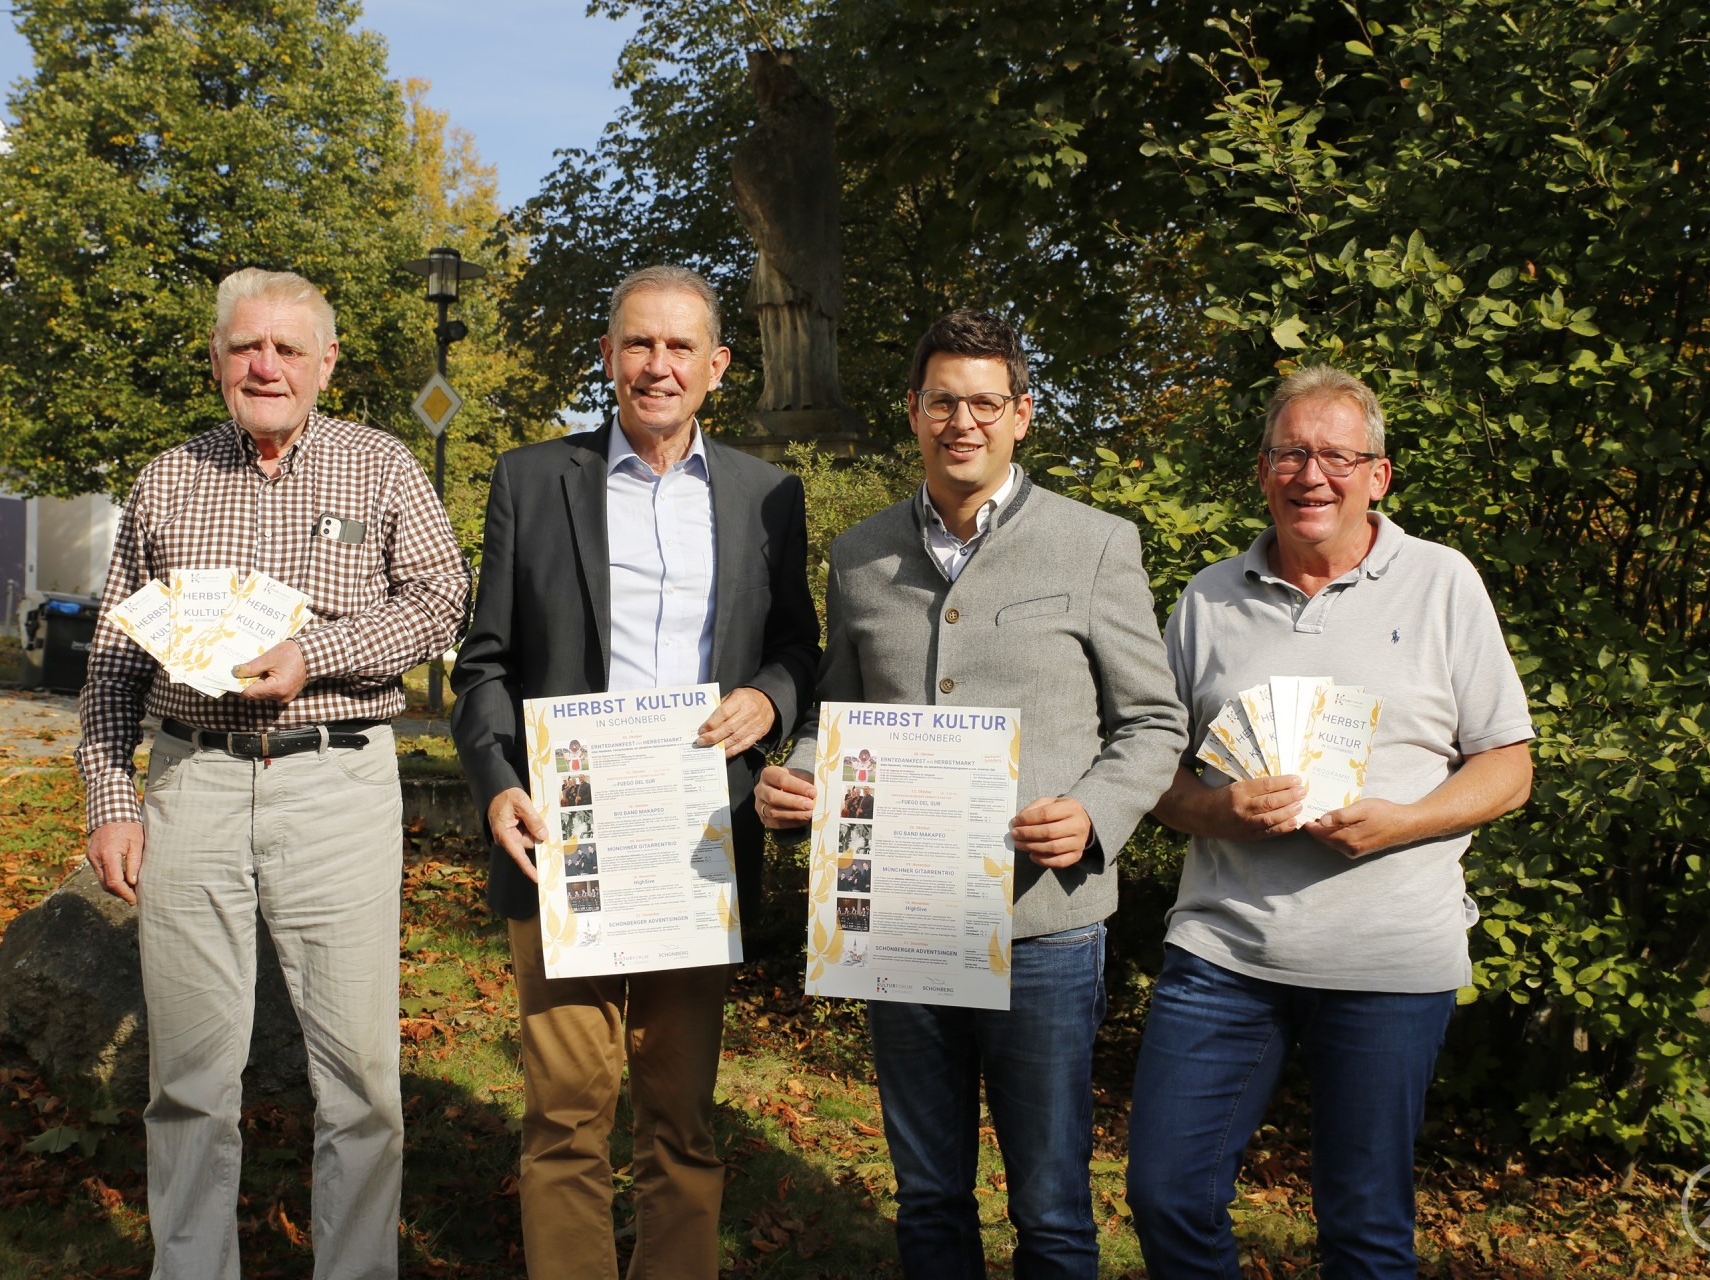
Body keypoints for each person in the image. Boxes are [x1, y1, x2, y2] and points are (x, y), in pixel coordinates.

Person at [757, 307, 1187, 1278]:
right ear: (912, 410)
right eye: (944, 400)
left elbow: (1155, 722)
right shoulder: (859, 555)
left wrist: (1094, 814)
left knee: (1052, 1206)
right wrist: (798, 774)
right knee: (930, 1197)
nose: (964, 421)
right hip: (900, 919)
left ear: (1023, 413)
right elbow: (838, 712)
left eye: (985, 402)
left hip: (1043, 922)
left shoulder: (1095, 543)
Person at [75, 267, 469, 1279]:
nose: (266, 365)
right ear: (217, 359)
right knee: (191, 1078)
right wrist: (111, 799)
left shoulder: (382, 467)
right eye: (247, 347)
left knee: (360, 1079)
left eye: (289, 349)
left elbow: (441, 602)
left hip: (335, 784)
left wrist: (319, 651)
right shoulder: (168, 478)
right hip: (191, 781)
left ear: (325, 363)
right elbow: (116, 658)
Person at [450, 265, 821, 1279]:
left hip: (697, 845)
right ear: (608, 356)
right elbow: (484, 664)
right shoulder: (532, 479)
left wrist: (771, 700)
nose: (659, 366)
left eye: (680, 347)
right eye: (638, 344)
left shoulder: (765, 495)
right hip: (563, 837)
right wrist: (495, 782)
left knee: (681, 1116)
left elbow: (799, 646)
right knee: (566, 1114)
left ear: (717, 365)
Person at [1125, 366, 1534, 1279]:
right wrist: (1217, 811)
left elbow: (1510, 768)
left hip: (1389, 961)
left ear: (1378, 475)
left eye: (1337, 457)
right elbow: (1154, 772)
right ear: (1263, 470)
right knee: (1167, 1196)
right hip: (1225, 954)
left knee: (1364, 1228)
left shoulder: (1442, 584)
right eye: (1291, 454)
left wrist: (1408, 822)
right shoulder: (1208, 597)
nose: (1314, 475)